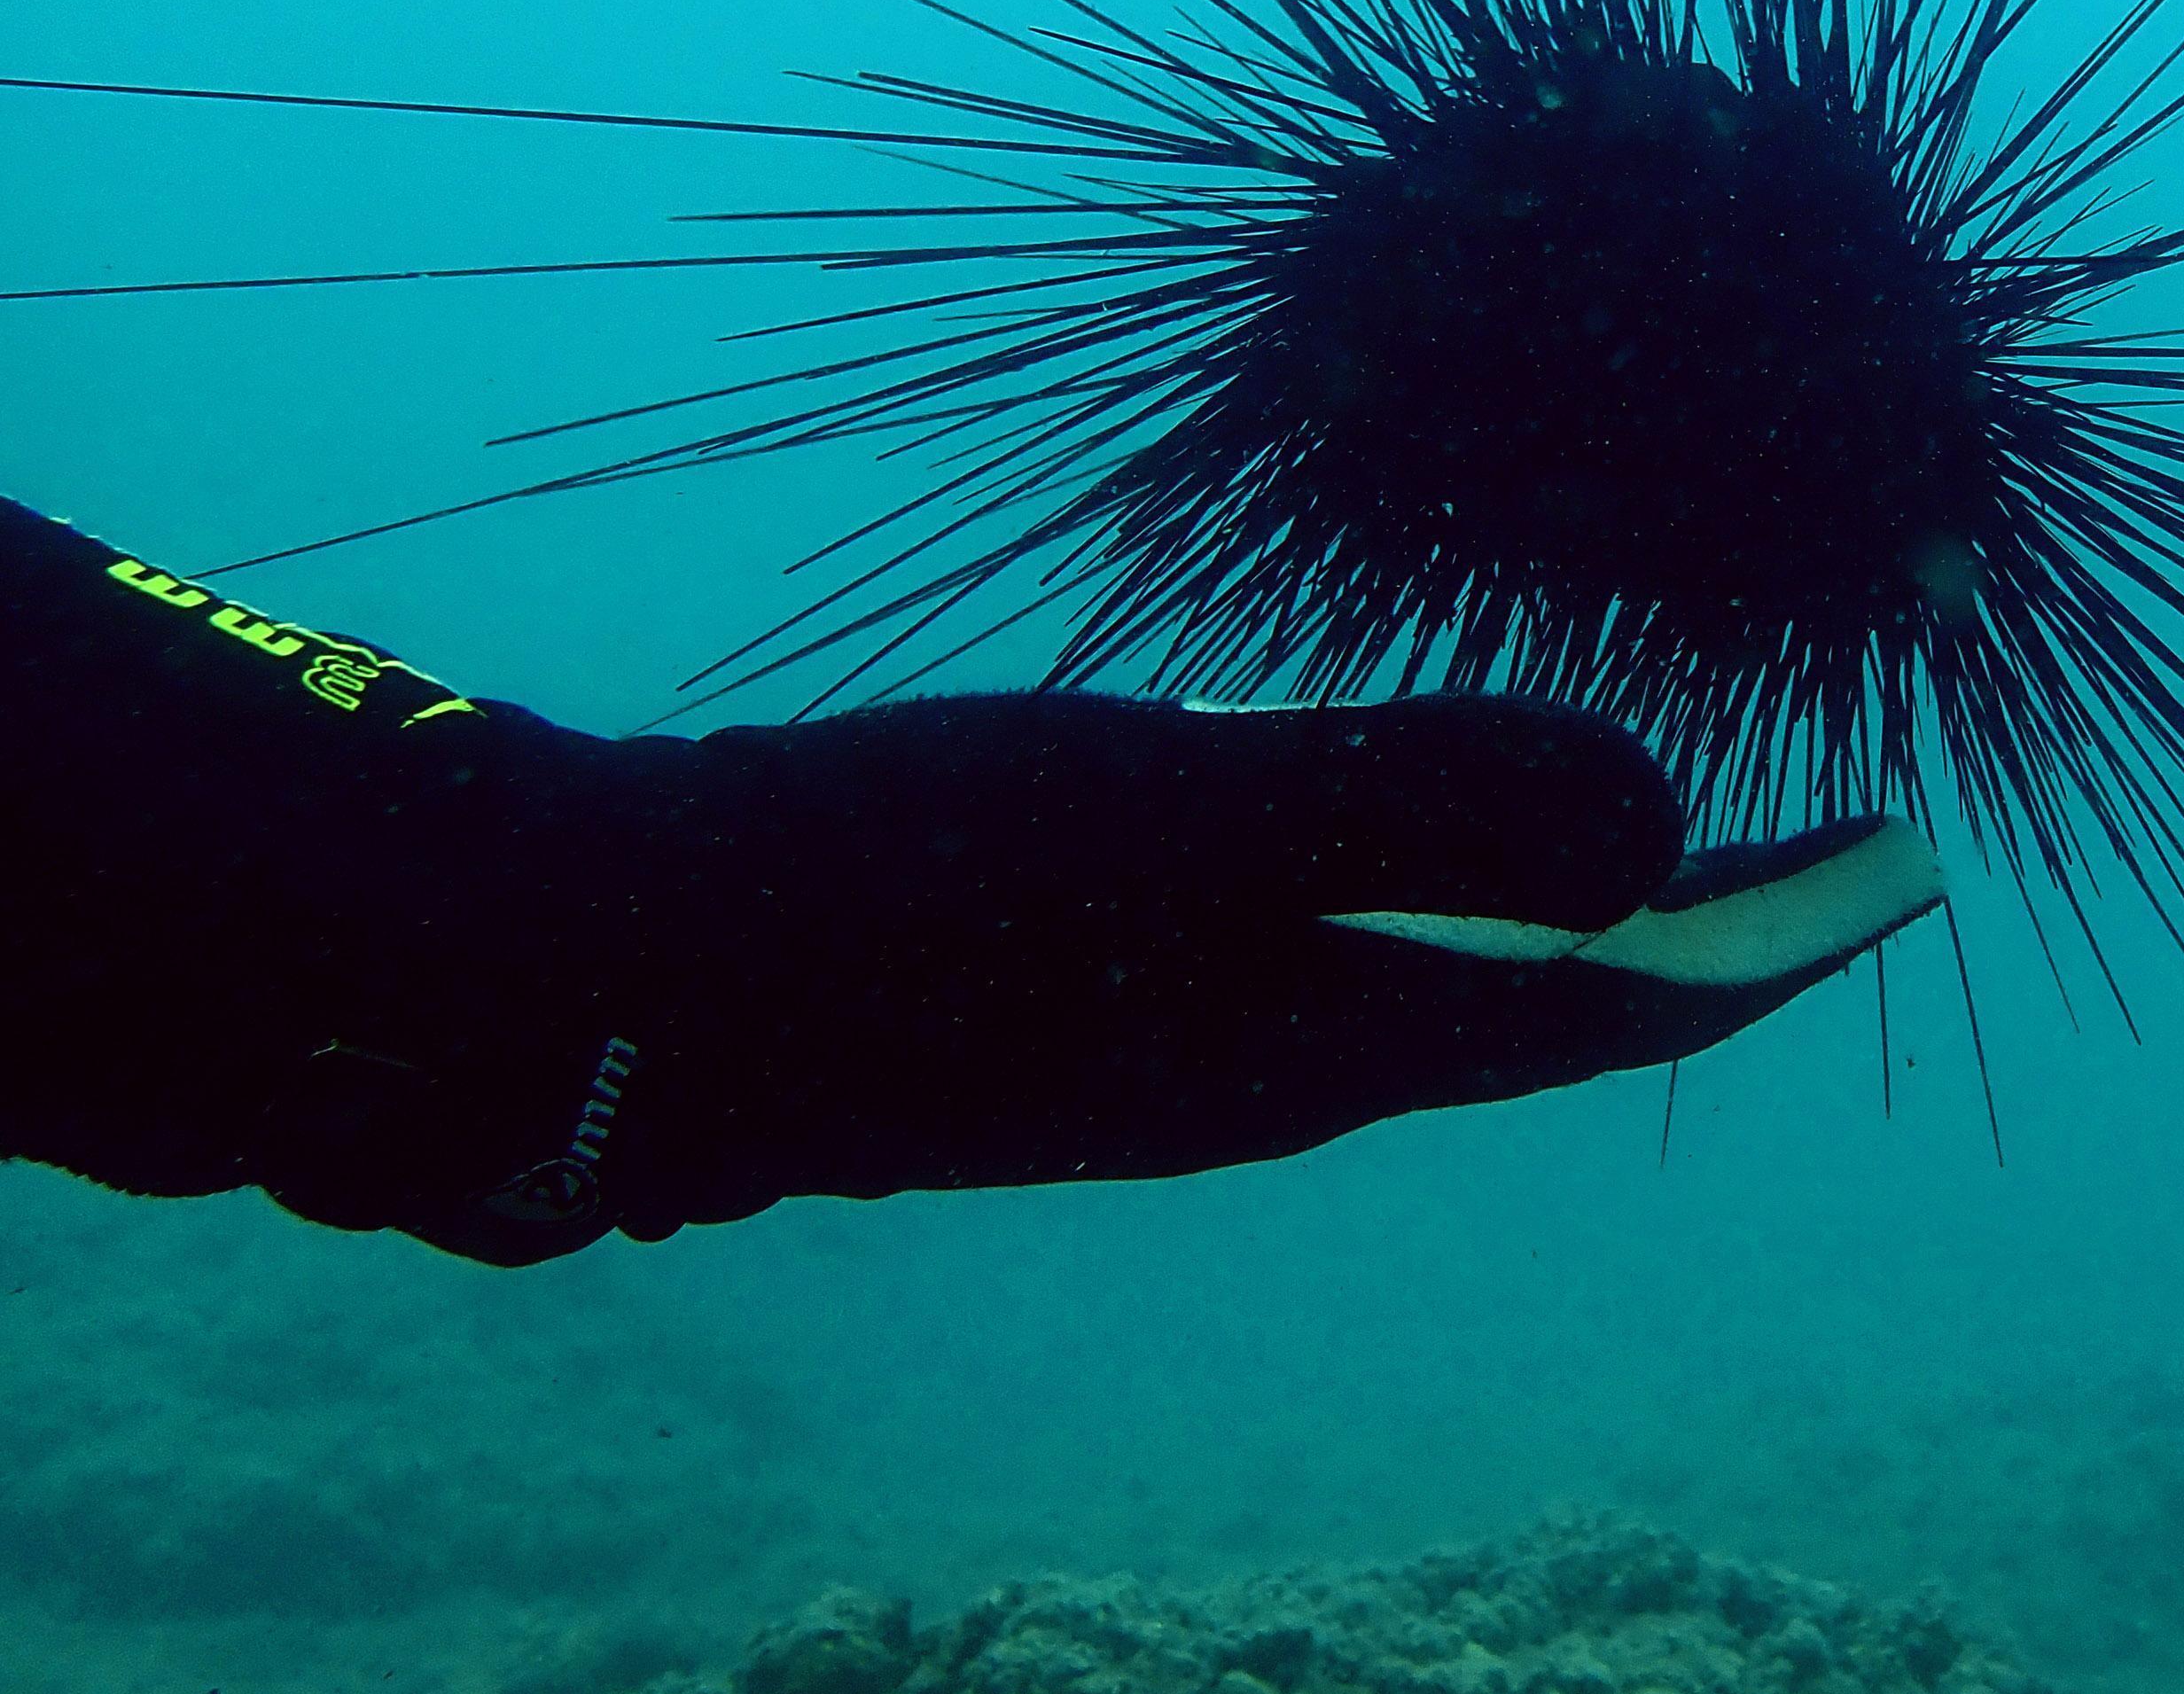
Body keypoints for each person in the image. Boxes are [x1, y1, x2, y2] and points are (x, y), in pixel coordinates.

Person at [0, 493, 1938, 1266]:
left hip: (570, 946)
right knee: (1541, 830)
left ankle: (602, 971)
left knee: (1552, 812)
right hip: (566, 1001)